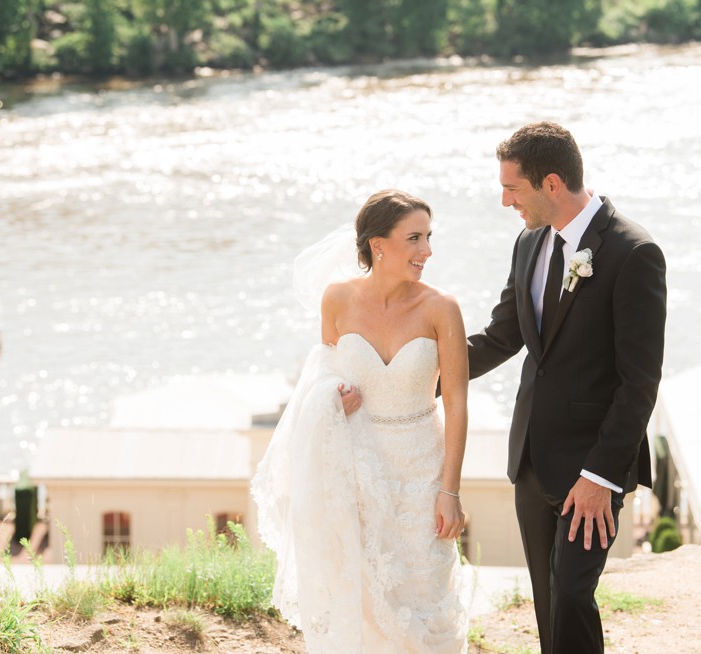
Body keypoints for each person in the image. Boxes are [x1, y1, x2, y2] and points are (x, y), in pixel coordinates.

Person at [466, 121, 667, 653]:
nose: (506, 201)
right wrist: (421, 374)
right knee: (548, 600)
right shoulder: (529, 243)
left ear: (551, 184)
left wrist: (600, 474)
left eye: (512, 188)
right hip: (532, 458)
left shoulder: (633, 252)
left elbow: (640, 381)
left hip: (592, 466)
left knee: (573, 593)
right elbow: (501, 337)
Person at [251, 189, 470, 653]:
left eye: (429, 237)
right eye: (414, 238)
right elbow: (324, 370)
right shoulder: (337, 300)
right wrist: (332, 394)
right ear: (379, 245)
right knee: (366, 599)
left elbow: (456, 401)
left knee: (426, 600)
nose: (427, 251)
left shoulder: (442, 309)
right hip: (359, 470)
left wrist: (448, 491)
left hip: (422, 474)